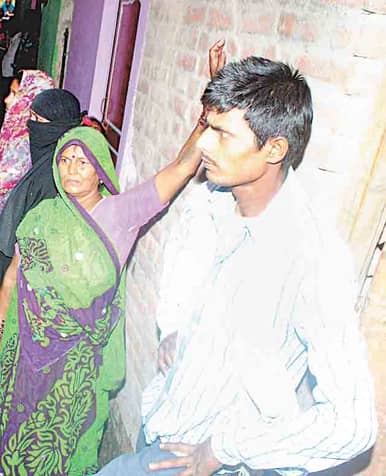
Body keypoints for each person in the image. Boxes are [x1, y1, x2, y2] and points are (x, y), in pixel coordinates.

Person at [96, 52, 377, 475]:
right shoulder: (212, 201)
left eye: (223, 134)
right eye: (208, 127)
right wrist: (173, 326)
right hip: (165, 416)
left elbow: (352, 425)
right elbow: (183, 261)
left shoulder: (312, 257)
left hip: (210, 458)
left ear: (274, 148)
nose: (204, 144)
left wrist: (225, 449)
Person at [0, 122, 204, 474]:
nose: (71, 168)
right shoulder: (42, 215)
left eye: (82, 162)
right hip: (25, 353)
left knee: (62, 445)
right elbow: (12, 277)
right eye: (65, 159)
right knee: (14, 433)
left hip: (76, 366)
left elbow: (180, 168)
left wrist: (205, 122)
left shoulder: (119, 213)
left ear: (100, 170)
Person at [0, 88, 82, 424]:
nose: (31, 126)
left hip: (22, 275)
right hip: (10, 262)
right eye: (31, 117)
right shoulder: (43, 164)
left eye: (39, 120)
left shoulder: (56, 176)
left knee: (5, 342)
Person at [0, 70, 55, 233]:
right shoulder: (15, 134)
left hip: (5, 230)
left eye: (15, 94)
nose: (6, 100)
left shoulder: (24, 146)